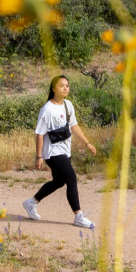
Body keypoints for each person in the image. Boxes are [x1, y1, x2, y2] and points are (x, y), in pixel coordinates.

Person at [22, 74, 99, 228]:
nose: (65, 88)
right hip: (52, 152)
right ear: (53, 88)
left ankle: (31, 203)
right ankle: (78, 216)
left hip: (65, 150)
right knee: (71, 179)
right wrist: (38, 157)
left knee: (59, 181)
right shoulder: (47, 109)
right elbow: (39, 134)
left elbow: (74, 126)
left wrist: (87, 143)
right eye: (61, 85)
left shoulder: (68, 105)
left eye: (67, 85)